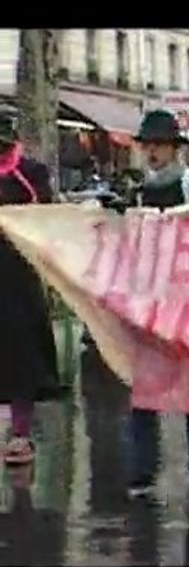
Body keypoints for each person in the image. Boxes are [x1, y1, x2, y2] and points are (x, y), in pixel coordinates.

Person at [126, 110, 189, 498]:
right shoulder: (136, 194)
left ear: (173, 149)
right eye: (147, 146)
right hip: (149, 305)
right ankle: (142, 471)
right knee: (145, 389)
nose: (152, 153)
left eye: (159, 146)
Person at [0, 113, 60, 467]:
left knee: (22, 355)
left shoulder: (32, 172)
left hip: (19, 275)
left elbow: (46, 216)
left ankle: (21, 433)